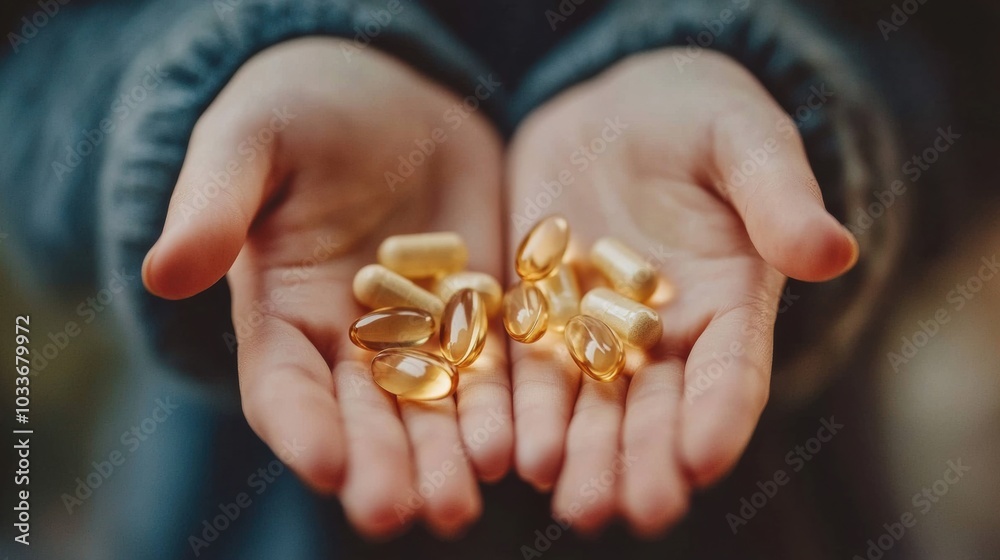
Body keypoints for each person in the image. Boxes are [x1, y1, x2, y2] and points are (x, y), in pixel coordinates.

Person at [0, 0, 910, 557]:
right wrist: (189, 101)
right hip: (228, 510)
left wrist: (818, 130)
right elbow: (25, 86)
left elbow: (957, 72)